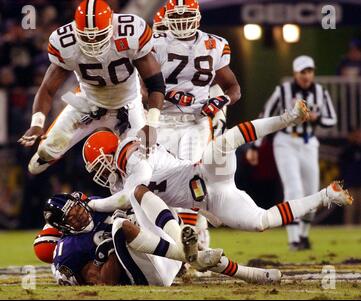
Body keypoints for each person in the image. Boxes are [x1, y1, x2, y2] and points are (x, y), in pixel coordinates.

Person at [83, 100, 353, 238]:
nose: (101, 172)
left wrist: (91, 205)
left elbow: (130, 191)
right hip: (212, 199)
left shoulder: (130, 156)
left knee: (224, 143)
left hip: (204, 173)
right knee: (261, 221)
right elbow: (125, 201)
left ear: (111, 154)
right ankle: (326, 196)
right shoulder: (120, 182)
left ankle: (288, 117)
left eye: (100, 165)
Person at [18, 0, 165, 175]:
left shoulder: (130, 33)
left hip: (129, 105)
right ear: (76, 30)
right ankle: (51, 154)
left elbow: (155, 83)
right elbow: (47, 89)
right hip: (88, 103)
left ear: (111, 27)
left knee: (141, 168)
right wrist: (37, 123)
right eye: (87, 36)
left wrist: (152, 122)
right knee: (40, 160)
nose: (93, 41)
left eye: (99, 35)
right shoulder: (65, 43)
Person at [150, 0, 241, 249]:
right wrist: (169, 95)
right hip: (163, 121)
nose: (180, 23)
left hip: (196, 121)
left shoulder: (214, 44)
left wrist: (220, 100)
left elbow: (232, 87)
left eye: (186, 16)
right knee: (160, 182)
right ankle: (175, 242)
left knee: (190, 177)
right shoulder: (154, 45)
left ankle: (192, 238)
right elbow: (142, 88)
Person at [45, 192, 281, 286]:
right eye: (73, 217)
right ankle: (188, 256)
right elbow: (103, 286)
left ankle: (247, 274)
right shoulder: (70, 248)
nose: (81, 214)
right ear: (63, 227)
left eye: (78, 208)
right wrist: (105, 254)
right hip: (146, 278)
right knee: (119, 226)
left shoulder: (95, 205)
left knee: (152, 202)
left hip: (156, 256)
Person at [247, 55, 338, 250]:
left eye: (309, 71)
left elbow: (332, 119)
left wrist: (316, 117)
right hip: (286, 142)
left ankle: (303, 236)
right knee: (293, 189)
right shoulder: (283, 91)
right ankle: (294, 239)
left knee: (312, 191)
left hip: (309, 143)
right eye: (302, 72)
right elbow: (265, 116)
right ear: (295, 73)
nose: (306, 76)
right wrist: (255, 146)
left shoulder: (320, 92)